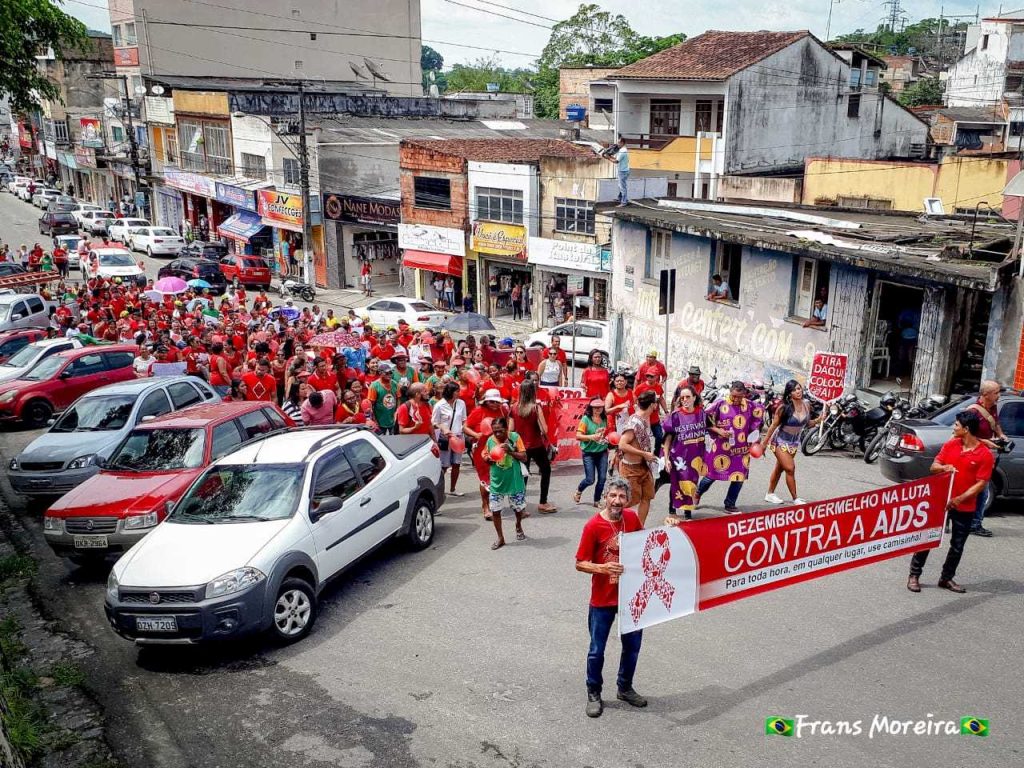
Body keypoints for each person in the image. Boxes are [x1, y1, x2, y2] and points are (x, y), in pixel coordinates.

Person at [575, 477, 646, 718]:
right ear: (605, 497)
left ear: (628, 500)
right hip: (603, 599)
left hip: (631, 598)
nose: (617, 501)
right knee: (597, 649)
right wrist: (602, 568)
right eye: (613, 495)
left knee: (633, 647)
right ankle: (593, 692)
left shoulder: (633, 519)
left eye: (622, 497)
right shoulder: (593, 526)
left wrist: (671, 527)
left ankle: (624, 688)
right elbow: (580, 564)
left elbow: (647, 546)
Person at [907, 410, 993, 594]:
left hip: (965, 506)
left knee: (958, 545)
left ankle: (946, 578)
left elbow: (980, 485)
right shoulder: (951, 444)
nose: (954, 428)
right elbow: (933, 467)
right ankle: (914, 575)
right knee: (928, 539)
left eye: (956, 426)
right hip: (941, 502)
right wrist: (944, 467)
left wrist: (959, 499)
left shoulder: (984, 455)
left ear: (966, 429)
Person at [697, 381, 765, 514]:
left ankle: (730, 503)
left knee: (739, 477)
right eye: (734, 396)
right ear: (730, 392)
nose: (736, 399)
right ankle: (698, 493)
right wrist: (718, 430)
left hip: (741, 449)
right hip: (721, 448)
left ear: (744, 394)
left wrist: (755, 438)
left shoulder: (751, 406)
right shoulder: (720, 404)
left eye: (740, 397)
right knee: (712, 475)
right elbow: (704, 418)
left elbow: (757, 420)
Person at [758, 380, 815, 505]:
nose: (798, 391)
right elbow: (773, 426)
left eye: (799, 388)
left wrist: (820, 419)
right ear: (789, 393)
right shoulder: (783, 408)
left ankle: (770, 494)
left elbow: (808, 423)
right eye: (794, 390)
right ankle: (795, 498)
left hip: (794, 443)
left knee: (780, 468)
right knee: (790, 468)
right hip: (780, 441)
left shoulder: (807, 404)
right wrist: (763, 444)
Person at [965, 379, 1006, 537]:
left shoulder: (993, 406)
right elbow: (965, 435)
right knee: (974, 491)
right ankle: (967, 522)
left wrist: (1001, 435)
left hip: (985, 457)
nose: (998, 395)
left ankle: (975, 523)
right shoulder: (972, 412)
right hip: (972, 456)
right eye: (996, 393)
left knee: (982, 491)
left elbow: (994, 423)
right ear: (985, 395)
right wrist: (986, 442)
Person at [661, 386, 707, 522]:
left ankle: (688, 511)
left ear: (694, 397)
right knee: (676, 483)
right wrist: (667, 457)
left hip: (695, 458)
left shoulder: (702, 414)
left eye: (688, 397)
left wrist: (721, 432)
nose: (685, 400)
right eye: (682, 398)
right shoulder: (675, 416)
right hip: (678, 457)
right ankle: (672, 509)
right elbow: (668, 439)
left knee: (691, 483)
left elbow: (710, 427)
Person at [464, 389, 510, 521]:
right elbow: (465, 427)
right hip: (482, 449)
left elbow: (508, 424)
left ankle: (495, 503)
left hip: (499, 447)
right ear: (486, 401)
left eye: (497, 401)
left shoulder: (502, 410)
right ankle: (485, 506)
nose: (495, 404)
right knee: (486, 478)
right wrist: (476, 435)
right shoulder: (478, 411)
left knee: (497, 476)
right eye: (492, 401)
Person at [483, 417, 528, 550]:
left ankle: (518, 525)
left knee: (518, 509)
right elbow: (484, 453)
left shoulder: (515, 437)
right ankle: (500, 538)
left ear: (506, 429)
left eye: (500, 431)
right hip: (497, 482)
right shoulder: (490, 440)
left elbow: (524, 457)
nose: (497, 434)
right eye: (494, 431)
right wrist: (487, 459)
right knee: (495, 511)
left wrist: (510, 451)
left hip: (514, 481)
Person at [512, 380, 555, 513]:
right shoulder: (536, 408)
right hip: (536, 445)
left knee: (523, 475)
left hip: (520, 446)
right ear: (533, 392)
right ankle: (543, 502)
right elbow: (545, 430)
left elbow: (510, 430)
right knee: (546, 471)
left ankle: (521, 505)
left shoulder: (513, 407)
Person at [617, 389, 659, 525]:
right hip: (630, 469)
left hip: (644, 468)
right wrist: (644, 454)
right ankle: (613, 523)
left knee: (647, 497)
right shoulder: (634, 422)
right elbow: (622, 444)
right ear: (653, 405)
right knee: (629, 501)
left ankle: (639, 528)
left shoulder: (645, 419)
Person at [433, 382, 466, 496]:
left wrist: (465, 431)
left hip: (458, 436)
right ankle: (439, 491)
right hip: (445, 438)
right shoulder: (439, 405)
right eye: (457, 391)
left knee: (457, 463)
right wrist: (443, 428)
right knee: (444, 465)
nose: (459, 393)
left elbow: (464, 419)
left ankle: (453, 489)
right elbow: (434, 422)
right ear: (450, 392)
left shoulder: (461, 403)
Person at [575, 397, 609, 507]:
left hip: (602, 451)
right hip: (588, 453)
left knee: (603, 478)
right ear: (591, 408)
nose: (598, 409)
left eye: (600, 407)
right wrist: (592, 437)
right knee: (590, 479)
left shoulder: (605, 419)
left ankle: (597, 500)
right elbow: (578, 436)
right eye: (595, 407)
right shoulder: (586, 419)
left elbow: (610, 433)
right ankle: (579, 491)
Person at [633, 370, 668, 448]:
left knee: (659, 437)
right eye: (647, 376)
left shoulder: (658, 387)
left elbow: (661, 399)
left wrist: (666, 411)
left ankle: (656, 455)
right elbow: (634, 399)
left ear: (656, 377)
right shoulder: (640, 387)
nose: (649, 378)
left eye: (651, 376)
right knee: (642, 439)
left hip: (654, 418)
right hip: (643, 418)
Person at [368, 362, 400, 434]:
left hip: (392, 418)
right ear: (380, 373)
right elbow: (370, 405)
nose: (389, 375)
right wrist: (374, 420)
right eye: (387, 373)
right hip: (380, 420)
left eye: (391, 373)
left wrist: (397, 411)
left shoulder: (395, 384)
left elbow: (398, 399)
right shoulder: (374, 386)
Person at [611, 135, 630, 206]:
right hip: (623, 170)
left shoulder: (623, 151)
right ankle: (620, 198)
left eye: (619, 142)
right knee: (620, 185)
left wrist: (608, 158)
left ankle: (624, 202)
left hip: (623, 171)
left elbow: (616, 161)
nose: (618, 144)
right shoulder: (622, 150)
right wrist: (609, 156)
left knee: (622, 187)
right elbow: (616, 158)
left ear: (622, 143)